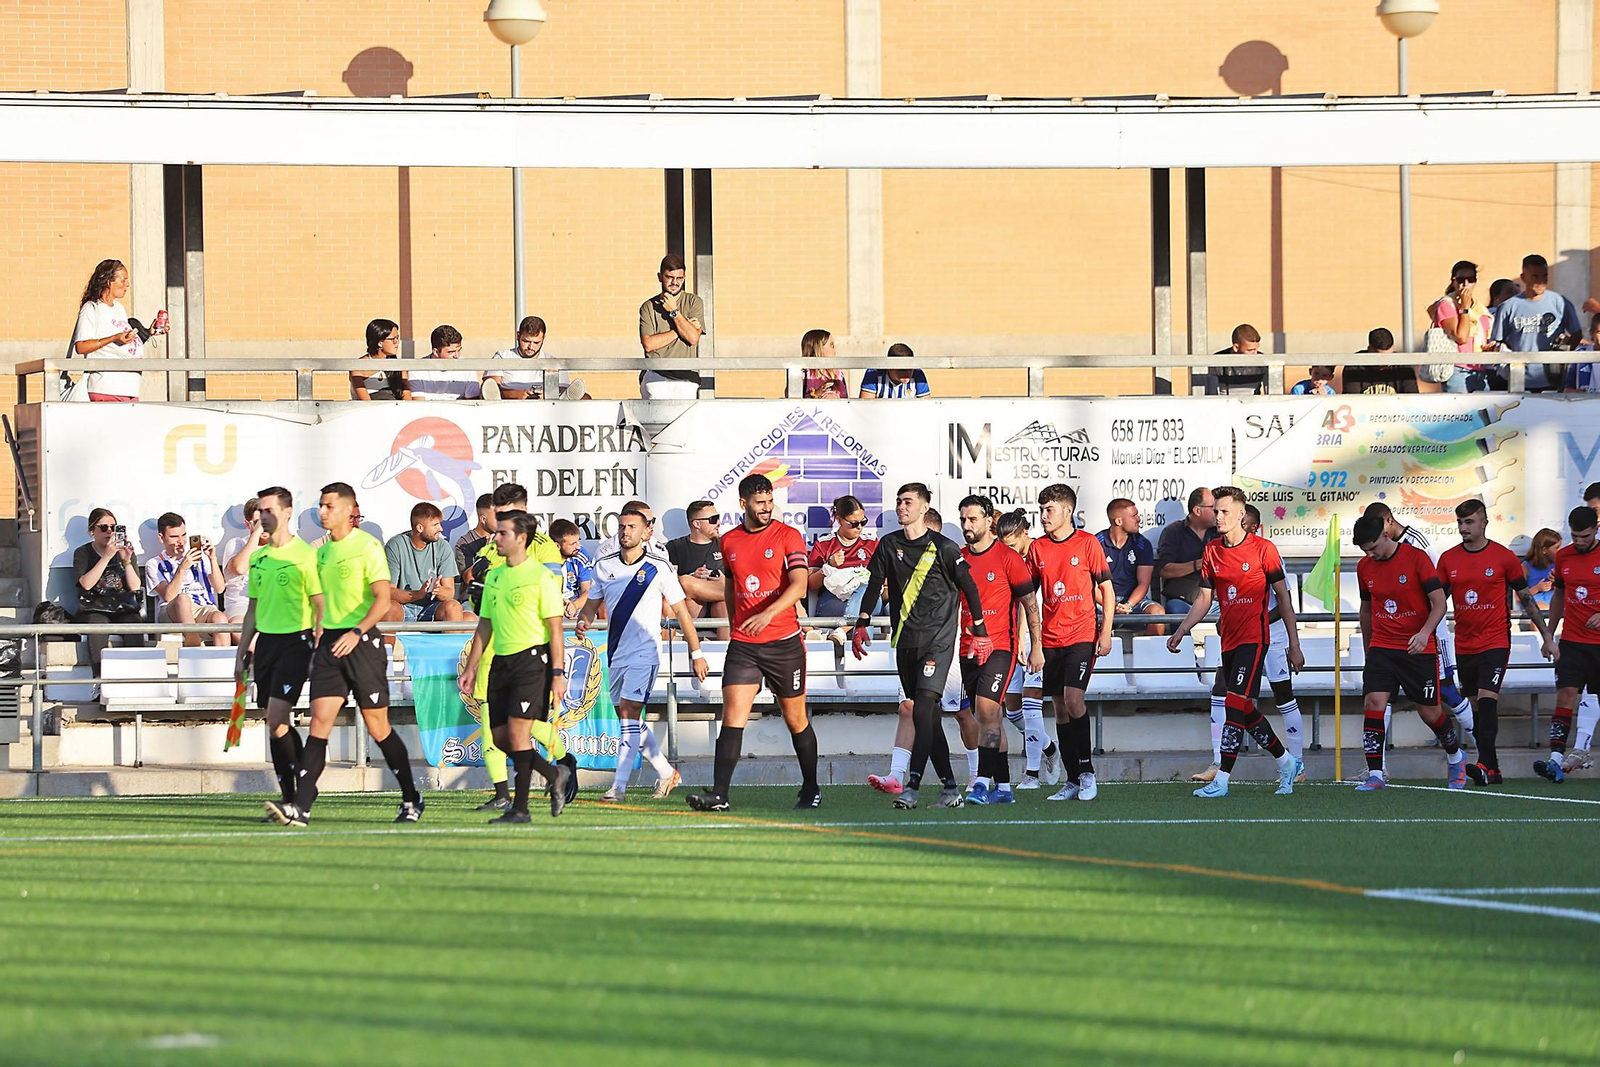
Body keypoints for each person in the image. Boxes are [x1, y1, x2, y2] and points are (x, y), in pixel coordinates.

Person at [267, 482, 424, 827]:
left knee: (378, 727)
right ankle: (302, 807)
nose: (322, 512)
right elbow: (316, 601)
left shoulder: (367, 547)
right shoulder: (319, 553)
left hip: (362, 642)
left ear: (349, 511)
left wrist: (357, 632)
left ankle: (412, 797)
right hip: (329, 646)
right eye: (320, 506)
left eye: (329, 507)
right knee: (319, 724)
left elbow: (384, 599)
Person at [689, 474, 819, 812]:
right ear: (743, 503)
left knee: (796, 720)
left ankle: (811, 787)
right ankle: (720, 796)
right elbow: (731, 588)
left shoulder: (788, 536)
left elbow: (800, 586)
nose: (766, 508)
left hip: (784, 643)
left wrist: (768, 613)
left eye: (770, 501)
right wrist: (736, 625)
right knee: (732, 716)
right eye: (760, 502)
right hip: (745, 645)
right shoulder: (729, 541)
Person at [853, 483, 988, 810]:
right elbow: (874, 585)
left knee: (925, 708)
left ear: (924, 508)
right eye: (899, 502)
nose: (901, 507)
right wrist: (862, 622)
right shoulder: (889, 544)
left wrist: (980, 631)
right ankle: (950, 789)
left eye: (908, 502)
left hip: (938, 643)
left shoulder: (944, 547)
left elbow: (969, 587)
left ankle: (911, 786)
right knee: (925, 718)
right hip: (906, 642)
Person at [1170, 492, 1303, 797]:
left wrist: (1294, 645)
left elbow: (1284, 598)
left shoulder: (1263, 550)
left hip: (1255, 639)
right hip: (1227, 640)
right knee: (1241, 706)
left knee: (1234, 706)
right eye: (1215, 511)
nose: (1218, 517)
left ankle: (1222, 780)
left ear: (1241, 514)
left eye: (1224, 512)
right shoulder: (1212, 550)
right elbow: (1205, 597)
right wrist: (1182, 629)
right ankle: (1286, 762)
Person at [579, 506, 709, 802]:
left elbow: (682, 612)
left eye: (632, 527)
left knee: (628, 717)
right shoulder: (604, 565)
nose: (626, 532)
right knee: (629, 720)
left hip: (645, 653)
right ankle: (666, 772)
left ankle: (618, 787)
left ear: (646, 532)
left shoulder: (657, 566)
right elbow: (592, 603)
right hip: (616, 654)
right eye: (622, 526)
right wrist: (584, 618)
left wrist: (696, 651)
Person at [459, 511, 574, 822]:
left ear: (521, 538)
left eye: (502, 534)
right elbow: (485, 625)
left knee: (518, 735)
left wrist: (558, 673)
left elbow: (555, 629)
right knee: (499, 738)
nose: (495, 538)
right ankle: (554, 774)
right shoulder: (494, 577)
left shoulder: (540, 577)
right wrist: (471, 668)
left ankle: (520, 808)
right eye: (496, 533)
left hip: (531, 662)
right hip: (500, 663)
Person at [1439, 498, 1556, 787]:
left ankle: (1483, 764)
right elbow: (1436, 602)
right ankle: (1492, 768)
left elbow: (1527, 600)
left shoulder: (1503, 558)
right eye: (1460, 523)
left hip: (1495, 641)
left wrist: (1547, 637)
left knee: (1488, 700)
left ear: (1484, 523)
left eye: (1469, 522)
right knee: (1477, 706)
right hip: (1464, 644)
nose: (1464, 528)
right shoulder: (1448, 559)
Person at [1350, 513, 1467, 791]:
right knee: (1374, 703)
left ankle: (1456, 756)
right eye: (1365, 550)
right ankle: (1376, 774)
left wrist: (1425, 632)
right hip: (1382, 648)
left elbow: (1439, 603)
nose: (1370, 554)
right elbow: (1366, 610)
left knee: (1430, 714)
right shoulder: (1364, 567)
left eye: (1373, 547)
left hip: (1418, 649)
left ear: (1386, 535)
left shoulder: (1416, 559)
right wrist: (1370, 649)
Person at [234, 487, 322, 816]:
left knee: (276, 715)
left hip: (296, 642)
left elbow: (320, 605)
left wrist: (318, 642)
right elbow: (252, 610)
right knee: (276, 725)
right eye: (260, 511)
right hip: (267, 645)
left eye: (269, 510)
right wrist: (242, 650)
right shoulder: (258, 557)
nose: (263, 517)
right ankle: (292, 796)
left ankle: (302, 791)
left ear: (286, 512)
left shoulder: (305, 555)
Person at [1364, 501, 1477, 752]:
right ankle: (1377, 768)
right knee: (1379, 698)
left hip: (1429, 633)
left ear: (1388, 524)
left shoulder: (1416, 544)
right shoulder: (1373, 558)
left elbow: (1438, 589)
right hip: (1392, 640)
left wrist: (1425, 628)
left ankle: (1482, 746)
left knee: (1445, 691)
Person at [1025, 483, 1114, 802]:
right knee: (1060, 707)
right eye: (1041, 510)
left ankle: (1088, 772)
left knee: (1074, 699)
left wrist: (1106, 632)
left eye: (1049, 510)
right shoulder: (1037, 549)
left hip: (1081, 635)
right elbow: (1027, 596)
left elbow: (1107, 589)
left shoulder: (1088, 544)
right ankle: (1072, 779)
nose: (1043, 516)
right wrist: (1032, 641)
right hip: (1050, 638)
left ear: (1067, 511)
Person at [956, 496, 1043, 806]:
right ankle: (1004, 788)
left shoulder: (1008, 558)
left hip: (1000, 649)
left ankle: (980, 781)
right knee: (988, 720)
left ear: (989, 520)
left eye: (973, 519)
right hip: (967, 651)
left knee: (987, 711)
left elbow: (1030, 604)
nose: (967, 525)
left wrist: (1036, 647)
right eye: (963, 520)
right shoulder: (958, 558)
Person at [1534, 506, 1600, 784]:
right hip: (1572, 640)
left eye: (1585, 535)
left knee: (1594, 696)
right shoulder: (1563, 556)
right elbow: (1560, 594)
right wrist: (1550, 634)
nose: (1580, 541)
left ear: (1596, 529)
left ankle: (1581, 749)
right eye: (1575, 536)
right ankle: (1556, 760)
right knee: (1565, 695)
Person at [996, 509, 1061, 789]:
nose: (1006, 550)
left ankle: (1031, 774)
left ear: (1024, 534)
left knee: (1031, 703)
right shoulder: (1004, 557)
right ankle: (1048, 748)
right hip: (1013, 639)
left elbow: (1032, 602)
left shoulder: (1039, 554)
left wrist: (1034, 643)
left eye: (1011, 544)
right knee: (1013, 711)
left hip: (1039, 639)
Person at [1491, 253, 1582, 393]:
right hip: (1518, 379)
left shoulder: (1560, 302)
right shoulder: (1508, 307)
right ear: (1523, 277)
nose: (1540, 281)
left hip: (1553, 379)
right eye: (1535, 276)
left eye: (1544, 276)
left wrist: (1560, 356)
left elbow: (1576, 333)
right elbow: (1498, 341)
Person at [145, 512, 232, 648]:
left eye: (184, 535)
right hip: (171, 610)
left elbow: (220, 588)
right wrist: (182, 568)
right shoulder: (154, 564)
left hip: (202, 608)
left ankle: (225, 666)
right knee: (183, 599)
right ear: (161, 538)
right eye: (174, 537)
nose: (181, 541)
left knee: (220, 619)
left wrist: (213, 558)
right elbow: (168, 596)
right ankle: (193, 638)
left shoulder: (201, 558)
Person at [73, 508, 144, 671]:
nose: (109, 531)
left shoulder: (124, 552)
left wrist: (126, 561)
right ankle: (99, 678)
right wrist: (106, 556)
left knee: (134, 623)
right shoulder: (83, 552)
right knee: (98, 625)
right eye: (103, 527)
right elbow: (86, 584)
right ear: (92, 530)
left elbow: (134, 586)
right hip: (94, 606)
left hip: (122, 605)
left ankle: (137, 675)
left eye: (114, 527)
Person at [70, 258, 144, 402]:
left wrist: (149, 333)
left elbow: (122, 346)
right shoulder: (92, 309)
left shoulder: (119, 309)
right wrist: (113, 338)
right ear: (109, 282)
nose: (127, 285)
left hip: (129, 388)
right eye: (123, 280)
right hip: (107, 388)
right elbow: (81, 346)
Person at [807, 494, 875, 646]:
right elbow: (811, 585)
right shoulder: (825, 544)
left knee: (867, 591)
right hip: (832, 602)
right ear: (839, 520)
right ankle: (865, 661)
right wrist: (829, 566)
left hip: (867, 601)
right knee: (865, 614)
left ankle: (843, 630)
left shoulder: (871, 543)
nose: (859, 527)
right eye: (854, 523)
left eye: (863, 522)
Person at [384, 502, 468, 623]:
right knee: (389, 607)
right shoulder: (395, 545)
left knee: (454, 607)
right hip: (403, 607)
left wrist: (439, 591)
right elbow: (387, 592)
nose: (441, 529)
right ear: (419, 528)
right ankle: (386, 643)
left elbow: (449, 593)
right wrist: (417, 595)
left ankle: (450, 643)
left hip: (431, 608)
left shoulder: (443, 547)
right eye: (435, 525)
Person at [639, 253, 706, 400]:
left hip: (687, 378)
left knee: (685, 423)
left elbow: (693, 338)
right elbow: (649, 344)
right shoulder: (648, 306)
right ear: (660, 277)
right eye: (670, 277)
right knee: (656, 423)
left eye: (679, 278)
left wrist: (674, 312)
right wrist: (682, 327)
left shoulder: (694, 302)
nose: (675, 282)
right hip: (657, 377)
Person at [1430, 260, 1503, 393]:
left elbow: (1483, 337)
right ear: (1453, 281)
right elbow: (1461, 337)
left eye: (1471, 280)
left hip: (1479, 369)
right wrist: (1464, 308)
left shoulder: (1479, 308)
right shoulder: (1447, 304)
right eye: (1461, 280)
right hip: (1457, 369)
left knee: (1483, 411)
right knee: (1460, 412)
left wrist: (1489, 347)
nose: (1465, 284)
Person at [1096, 498, 1163, 635]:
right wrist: (1110, 605)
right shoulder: (1096, 543)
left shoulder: (1143, 544)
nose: (1138, 519)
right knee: (1085, 617)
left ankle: (1149, 656)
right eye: (1134, 516)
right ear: (1118, 521)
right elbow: (1090, 586)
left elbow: (1143, 584)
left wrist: (1128, 605)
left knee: (1157, 613)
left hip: (1133, 602)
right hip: (1102, 601)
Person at [666, 499, 729, 639]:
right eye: (713, 519)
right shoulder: (675, 547)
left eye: (718, 518)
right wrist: (693, 577)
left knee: (722, 605)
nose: (718, 523)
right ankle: (733, 593)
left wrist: (727, 581)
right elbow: (668, 583)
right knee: (684, 582)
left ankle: (724, 656)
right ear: (697, 524)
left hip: (719, 608)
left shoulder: (726, 544)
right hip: (692, 609)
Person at [1155, 486, 1218, 615]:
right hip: (1184, 599)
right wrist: (1198, 564)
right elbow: (1163, 570)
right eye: (1213, 508)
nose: (1218, 512)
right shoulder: (1173, 532)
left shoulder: (1220, 532)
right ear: (1197, 510)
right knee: (1175, 610)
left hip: (1217, 599)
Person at [485, 316, 575, 400]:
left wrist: (546, 395)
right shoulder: (502, 357)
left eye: (536, 343)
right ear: (518, 336)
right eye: (526, 341)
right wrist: (517, 394)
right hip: (509, 408)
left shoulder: (554, 363)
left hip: (545, 408)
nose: (531, 347)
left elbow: (562, 390)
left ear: (543, 338)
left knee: (583, 397)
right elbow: (490, 388)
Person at [220, 497, 265, 624]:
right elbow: (239, 568)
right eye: (257, 522)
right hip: (241, 605)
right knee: (242, 629)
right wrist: (256, 533)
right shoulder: (236, 543)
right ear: (247, 524)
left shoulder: (280, 546)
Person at [408, 325, 482, 400]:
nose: (457, 356)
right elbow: (419, 405)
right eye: (451, 352)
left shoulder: (467, 367)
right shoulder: (417, 369)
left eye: (459, 350)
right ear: (436, 352)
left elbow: (472, 404)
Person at [454, 493, 496, 612]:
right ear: (483, 519)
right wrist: (486, 554)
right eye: (497, 517)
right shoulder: (464, 543)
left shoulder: (505, 538)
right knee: (468, 618)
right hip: (472, 600)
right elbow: (468, 578)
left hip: (499, 597)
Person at [1341, 328, 1417, 394]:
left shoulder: (1403, 367)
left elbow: (1413, 402)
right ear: (1369, 350)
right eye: (1380, 358)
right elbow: (1351, 402)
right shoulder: (1355, 366)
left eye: (1389, 357)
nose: (1385, 363)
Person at [351, 318, 410, 400]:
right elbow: (365, 401)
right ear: (380, 342)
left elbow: (407, 397)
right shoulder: (358, 367)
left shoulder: (398, 367)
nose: (397, 342)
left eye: (397, 338)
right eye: (393, 339)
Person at [1202, 324, 1267, 396]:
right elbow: (1212, 395)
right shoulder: (1217, 362)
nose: (1255, 353)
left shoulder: (1263, 361)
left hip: (1253, 405)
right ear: (1236, 347)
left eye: (1256, 349)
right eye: (1250, 350)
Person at [549, 519, 592, 619]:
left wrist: (574, 605)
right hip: (551, 604)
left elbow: (588, 591)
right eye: (573, 544)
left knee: (588, 621)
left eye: (578, 541)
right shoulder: (545, 560)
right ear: (557, 546)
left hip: (575, 601)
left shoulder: (581, 555)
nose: (578, 546)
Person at [859, 343, 931, 399]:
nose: (907, 373)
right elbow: (865, 408)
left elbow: (927, 408)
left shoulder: (917, 374)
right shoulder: (874, 373)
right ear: (889, 367)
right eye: (902, 369)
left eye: (910, 368)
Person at [795, 329, 847, 399]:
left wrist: (836, 397)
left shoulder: (837, 372)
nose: (835, 349)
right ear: (818, 348)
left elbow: (845, 397)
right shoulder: (803, 373)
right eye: (831, 345)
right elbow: (793, 400)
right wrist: (816, 394)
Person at [1524, 528, 1561, 611]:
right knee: (1538, 608)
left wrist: (1557, 583)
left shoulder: (1559, 565)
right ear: (1544, 550)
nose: (1560, 551)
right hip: (1536, 603)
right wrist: (1537, 588)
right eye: (1556, 548)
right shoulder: (1525, 567)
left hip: (1556, 601)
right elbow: (1518, 597)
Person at [1563, 313, 1600, 392]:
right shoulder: (1580, 354)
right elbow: (1567, 389)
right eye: (1599, 332)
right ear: (1591, 333)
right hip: (1583, 402)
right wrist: (1581, 392)